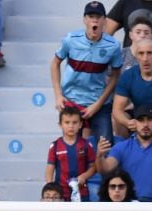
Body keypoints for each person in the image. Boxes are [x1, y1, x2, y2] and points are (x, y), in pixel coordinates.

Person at [51, 2, 124, 144]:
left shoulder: (113, 45)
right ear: (85, 20)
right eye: (91, 16)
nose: (94, 20)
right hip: (72, 101)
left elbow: (116, 74)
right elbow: (55, 63)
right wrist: (58, 95)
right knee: (72, 146)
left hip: (99, 103)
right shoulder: (71, 40)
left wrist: (98, 103)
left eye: (98, 17)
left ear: (104, 20)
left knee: (105, 146)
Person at [96, 105, 152, 202]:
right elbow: (105, 169)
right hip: (132, 207)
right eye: (141, 120)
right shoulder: (122, 147)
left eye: (149, 119)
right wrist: (99, 156)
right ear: (134, 123)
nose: (145, 124)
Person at [44, 106, 95, 202]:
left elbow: (94, 167)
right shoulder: (55, 145)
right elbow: (49, 169)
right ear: (60, 125)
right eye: (67, 122)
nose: (71, 126)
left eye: (74, 122)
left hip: (81, 192)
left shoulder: (86, 144)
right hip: (61, 193)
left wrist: (84, 176)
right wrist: (52, 189)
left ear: (80, 125)